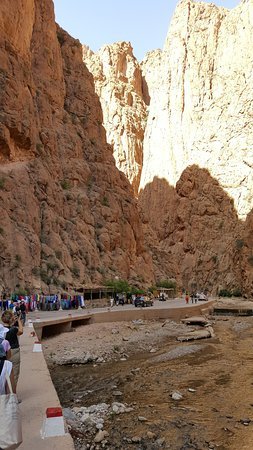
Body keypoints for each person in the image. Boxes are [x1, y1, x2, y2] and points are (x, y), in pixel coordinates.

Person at [1, 311, 23, 388]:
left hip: (4, 352)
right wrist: (19, 321)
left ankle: (4, 392)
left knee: (4, 373)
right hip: (14, 351)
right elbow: (21, 331)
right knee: (14, 374)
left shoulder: (1, 329)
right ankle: (12, 395)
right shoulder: (13, 329)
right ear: (11, 319)